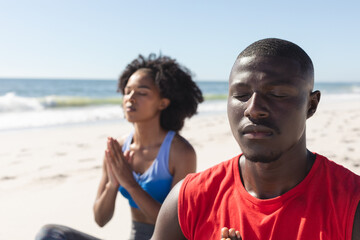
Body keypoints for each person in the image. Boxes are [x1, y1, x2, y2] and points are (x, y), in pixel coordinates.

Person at [150, 38, 360, 240]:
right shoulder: (190, 199)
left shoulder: (352, 204)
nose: (253, 109)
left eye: (277, 94)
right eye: (241, 95)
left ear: (311, 105)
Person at [35, 54, 203, 240]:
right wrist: (113, 183)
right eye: (127, 91)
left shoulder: (180, 152)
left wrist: (130, 184)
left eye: (142, 92)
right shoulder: (119, 148)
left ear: (162, 103)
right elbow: (100, 219)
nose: (130, 98)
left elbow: (177, 227)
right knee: (50, 234)